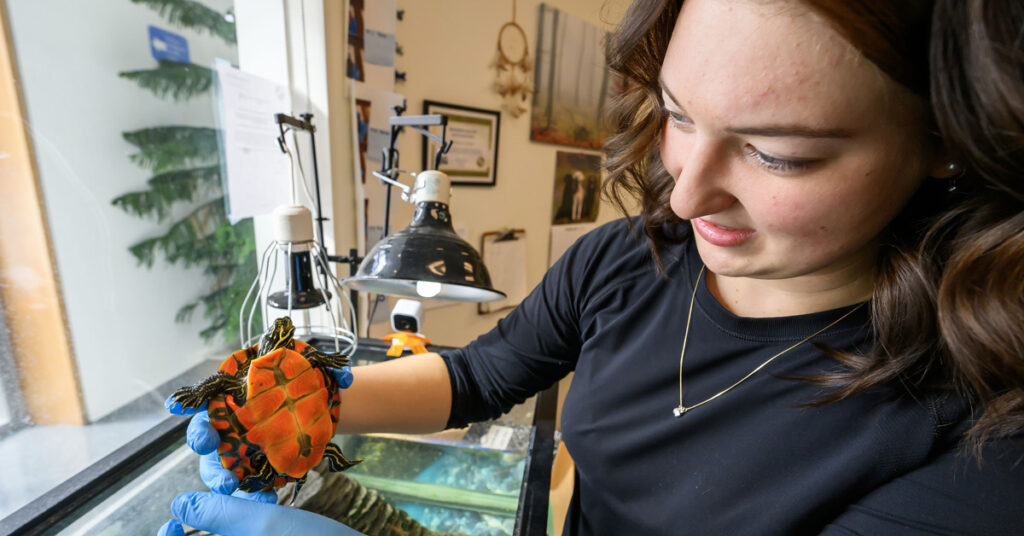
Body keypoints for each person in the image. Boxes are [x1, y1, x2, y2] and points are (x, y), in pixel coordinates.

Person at [159, 0, 1024, 534]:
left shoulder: (985, 428)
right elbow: (482, 374)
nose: (684, 198)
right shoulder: (626, 261)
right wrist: (324, 397)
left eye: (777, 155)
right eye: (681, 117)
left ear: (948, 138)